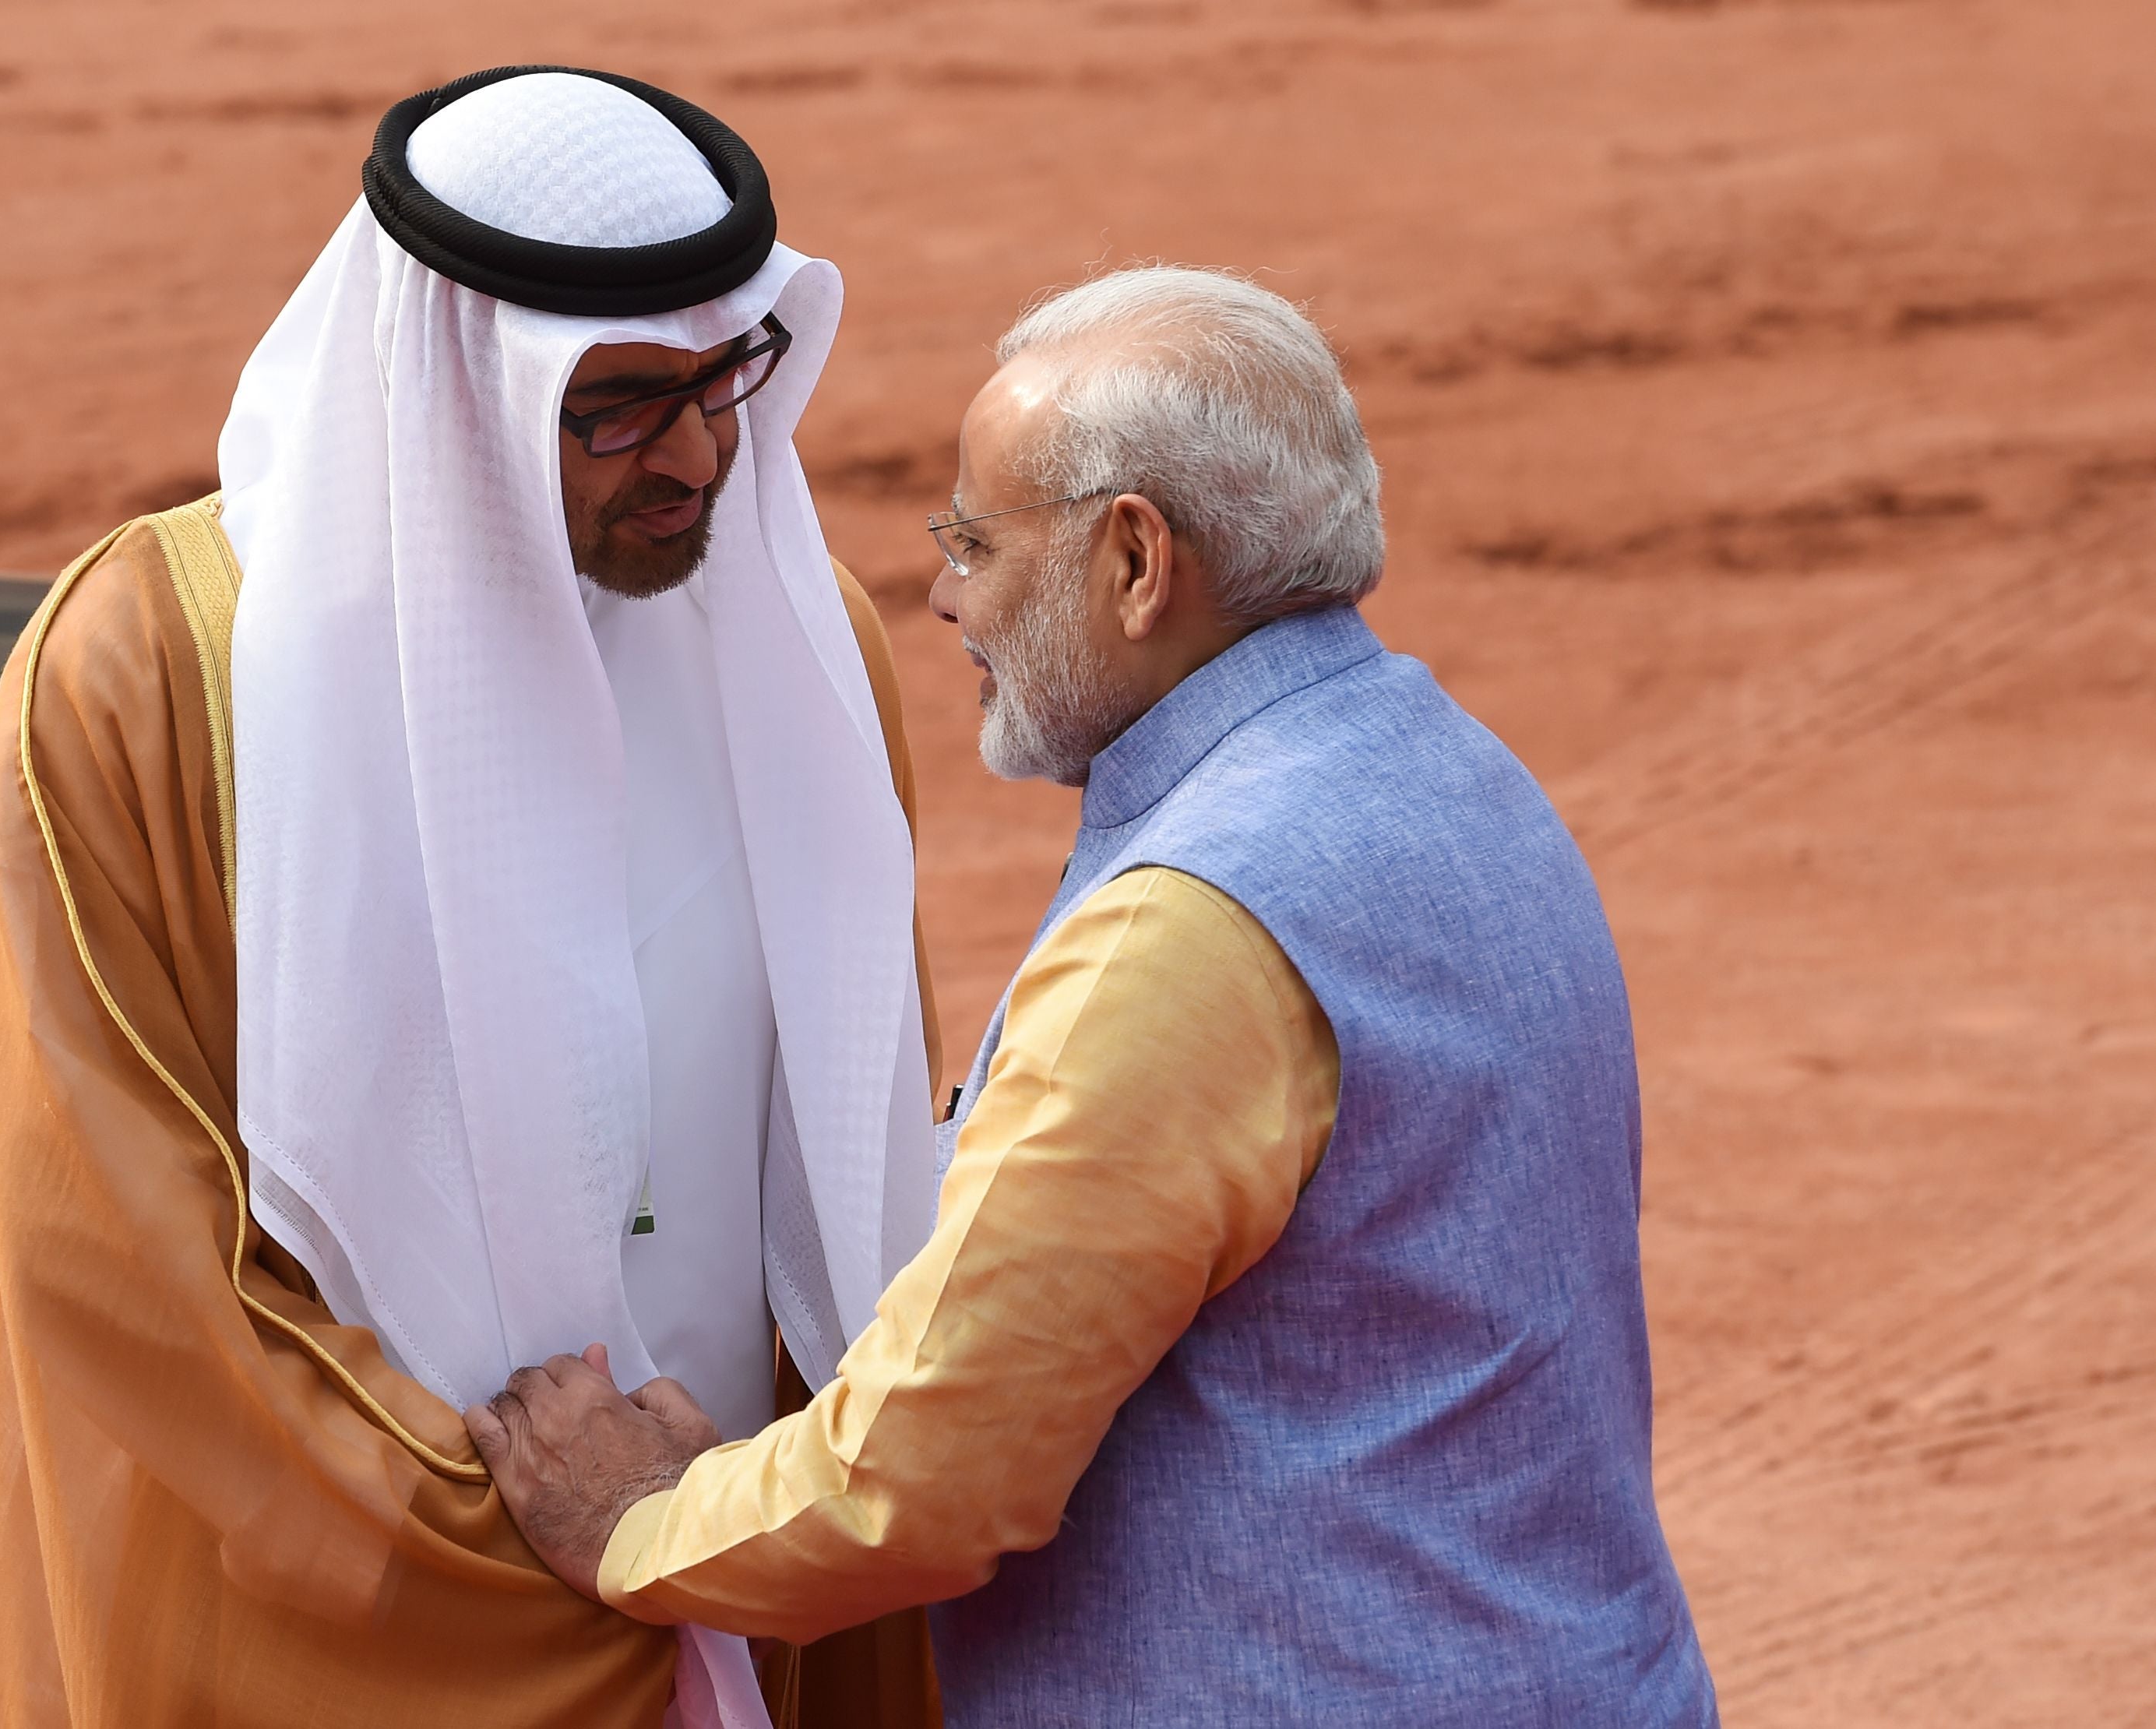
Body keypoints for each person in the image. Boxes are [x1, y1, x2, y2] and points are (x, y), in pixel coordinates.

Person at [468, 266, 1722, 1726]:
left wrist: (640, 1517)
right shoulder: (1453, 775)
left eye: (977, 540)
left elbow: (924, 1479)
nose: (939, 594)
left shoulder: (1185, 929)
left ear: (1134, 562)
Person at [0, 66, 945, 1729]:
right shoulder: (145, 678)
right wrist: (548, 1546)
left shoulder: (796, 640)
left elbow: (841, 1179)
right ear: (454, 393)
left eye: (724, 378)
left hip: (741, 1585)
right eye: (616, 405)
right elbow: (125, 1268)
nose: (700, 453)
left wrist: (723, 1531)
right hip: (363, 1637)